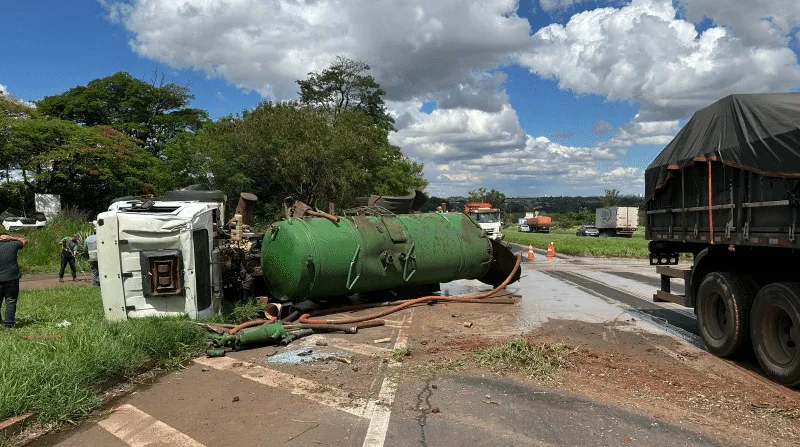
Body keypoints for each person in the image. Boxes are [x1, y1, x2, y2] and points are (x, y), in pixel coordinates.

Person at [0, 233, 27, 329]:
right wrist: (11, 237)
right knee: (10, 301)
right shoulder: (13, 244)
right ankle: (9, 324)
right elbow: (24, 240)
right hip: (11, 278)